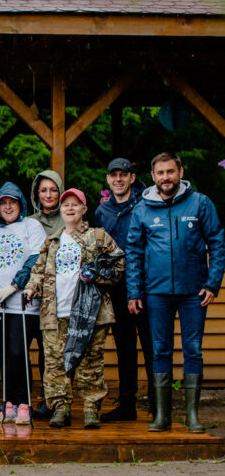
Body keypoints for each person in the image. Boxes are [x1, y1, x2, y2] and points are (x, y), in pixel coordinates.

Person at [126, 152, 225, 433]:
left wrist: (212, 283)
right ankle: (163, 416)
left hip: (194, 291)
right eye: (160, 173)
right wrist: (134, 291)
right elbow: (133, 252)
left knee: (193, 350)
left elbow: (217, 241)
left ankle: (192, 416)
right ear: (153, 175)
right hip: (156, 292)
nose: (166, 178)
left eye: (170, 172)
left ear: (180, 172)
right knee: (160, 351)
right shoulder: (142, 209)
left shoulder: (200, 202)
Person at [24, 189, 124, 429]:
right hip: (54, 312)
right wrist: (30, 289)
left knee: (91, 363)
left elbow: (119, 263)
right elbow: (38, 270)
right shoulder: (53, 240)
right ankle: (60, 409)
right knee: (55, 364)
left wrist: (97, 275)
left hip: (91, 313)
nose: (70, 208)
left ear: (84, 209)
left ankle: (91, 410)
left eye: (75, 204)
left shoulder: (98, 237)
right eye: (66, 204)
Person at [0, 182, 46, 426]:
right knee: (5, 354)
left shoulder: (31, 226)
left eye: (12, 202)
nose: (8, 207)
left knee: (18, 353)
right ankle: (9, 402)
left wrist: (15, 285)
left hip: (22, 304)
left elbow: (36, 259)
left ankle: (24, 403)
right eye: (3, 203)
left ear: (21, 204)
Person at [94, 158, 154, 423]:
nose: (118, 179)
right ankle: (127, 405)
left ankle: (157, 406)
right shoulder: (102, 212)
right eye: (113, 175)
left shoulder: (146, 206)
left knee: (153, 347)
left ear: (132, 178)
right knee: (124, 348)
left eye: (123, 175)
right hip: (117, 290)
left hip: (146, 287)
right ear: (108, 180)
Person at [29, 169, 64, 236]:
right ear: (38, 194)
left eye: (53, 190)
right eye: (43, 190)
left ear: (60, 192)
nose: (48, 195)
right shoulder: (29, 222)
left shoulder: (69, 220)